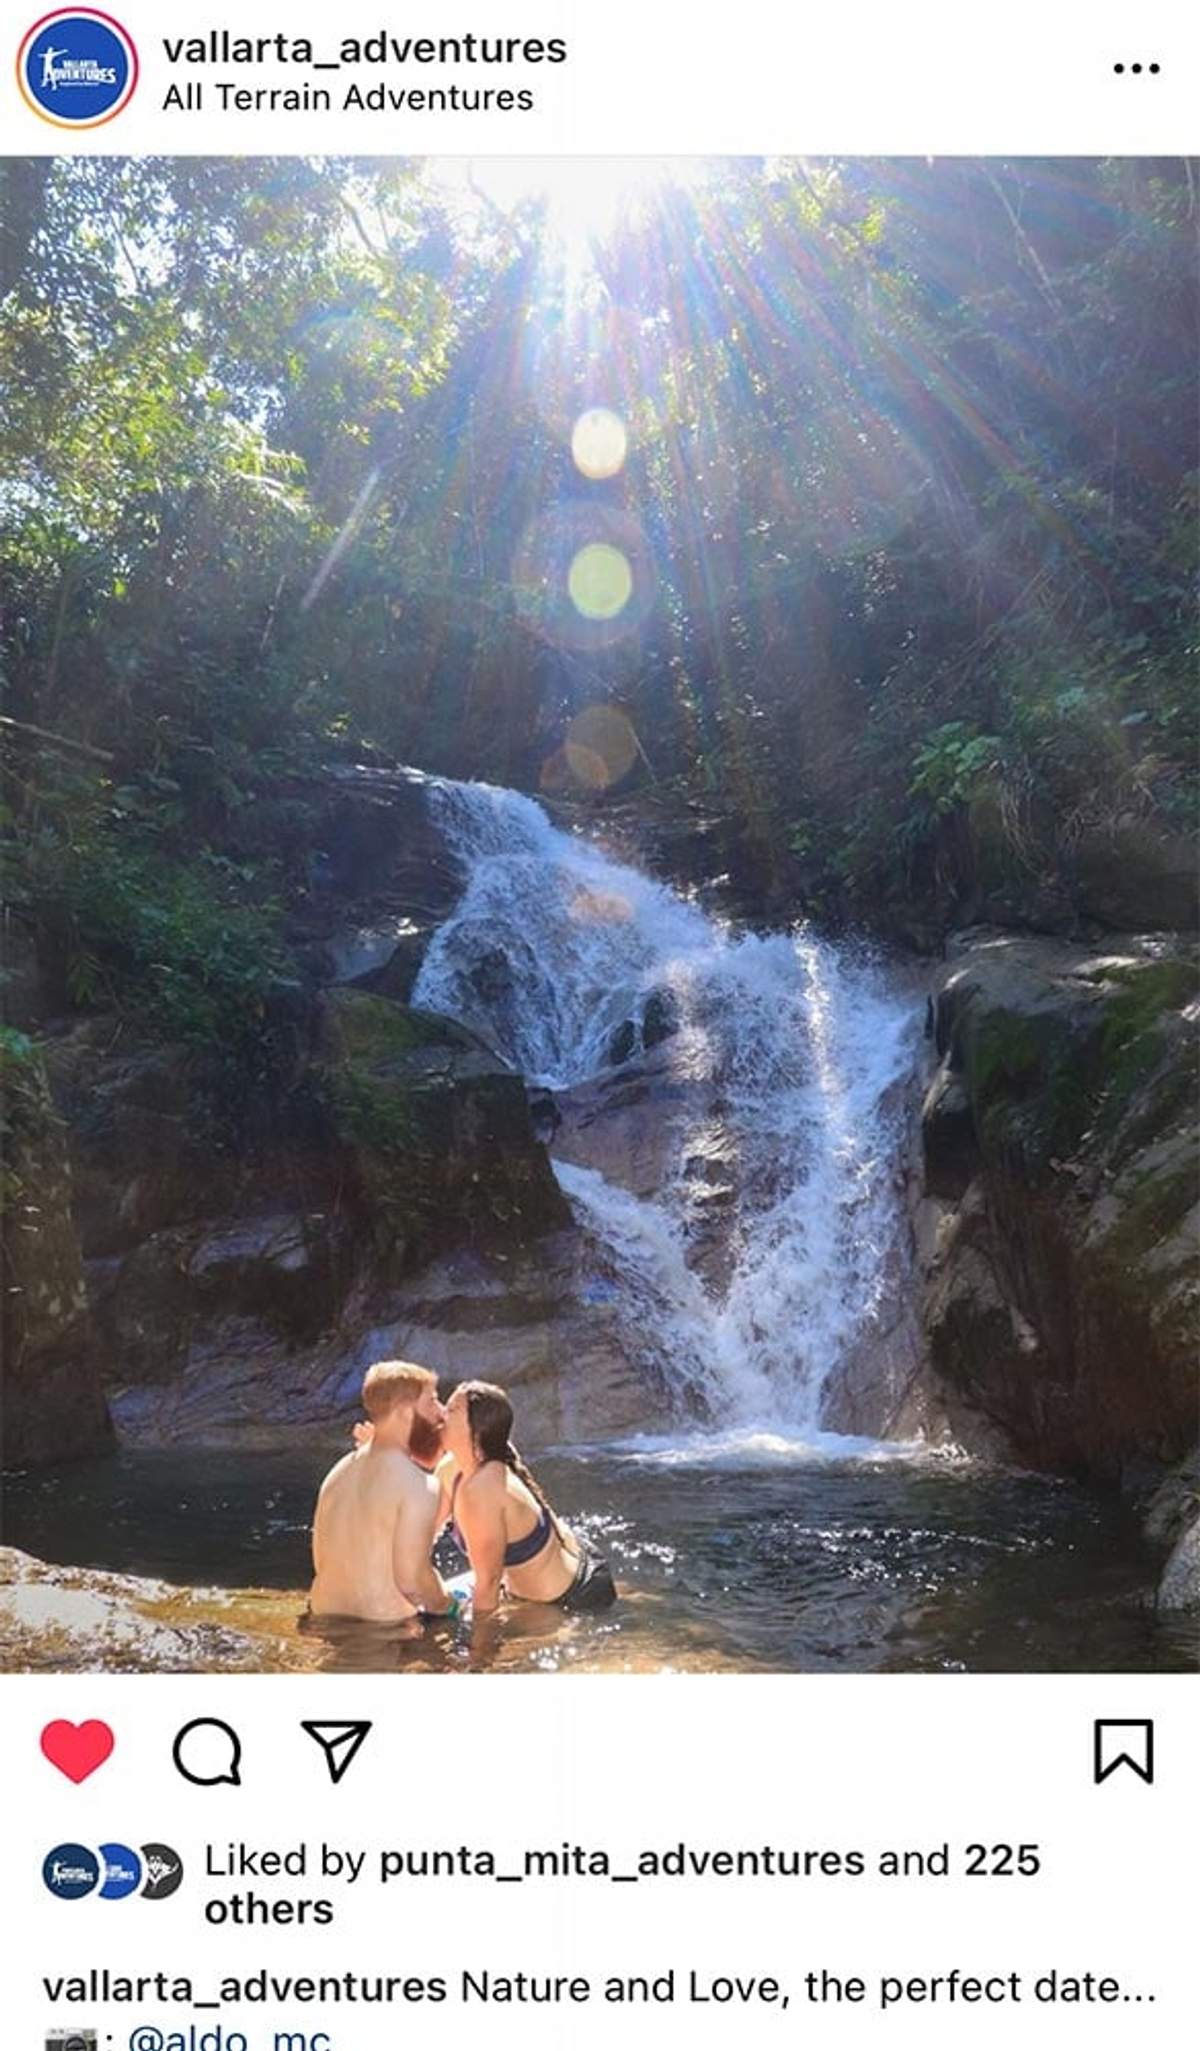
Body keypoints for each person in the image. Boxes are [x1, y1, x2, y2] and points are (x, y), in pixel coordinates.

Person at [441, 1380, 617, 1614]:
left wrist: (478, 1649)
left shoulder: (484, 1489)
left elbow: (489, 1584)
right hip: (571, 1559)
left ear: (476, 1431)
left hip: (574, 1595)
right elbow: (427, 1532)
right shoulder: (454, 1467)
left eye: (452, 1410)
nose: (442, 1414)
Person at [309, 1360, 461, 1624]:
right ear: (404, 1412)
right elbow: (412, 1581)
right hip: (383, 1630)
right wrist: (449, 1606)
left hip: (323, 1616)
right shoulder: (418, 1484)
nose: (441, 1413)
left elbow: (320, 1561)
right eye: (432, 1401)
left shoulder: (338, 1472)